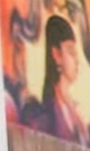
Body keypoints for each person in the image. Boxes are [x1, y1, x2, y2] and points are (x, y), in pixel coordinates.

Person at [17, 14, 85, 143]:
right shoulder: (44, 115)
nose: (77, 60)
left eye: (76, 53)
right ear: (57, 54)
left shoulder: (75, 112)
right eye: (71, 52)